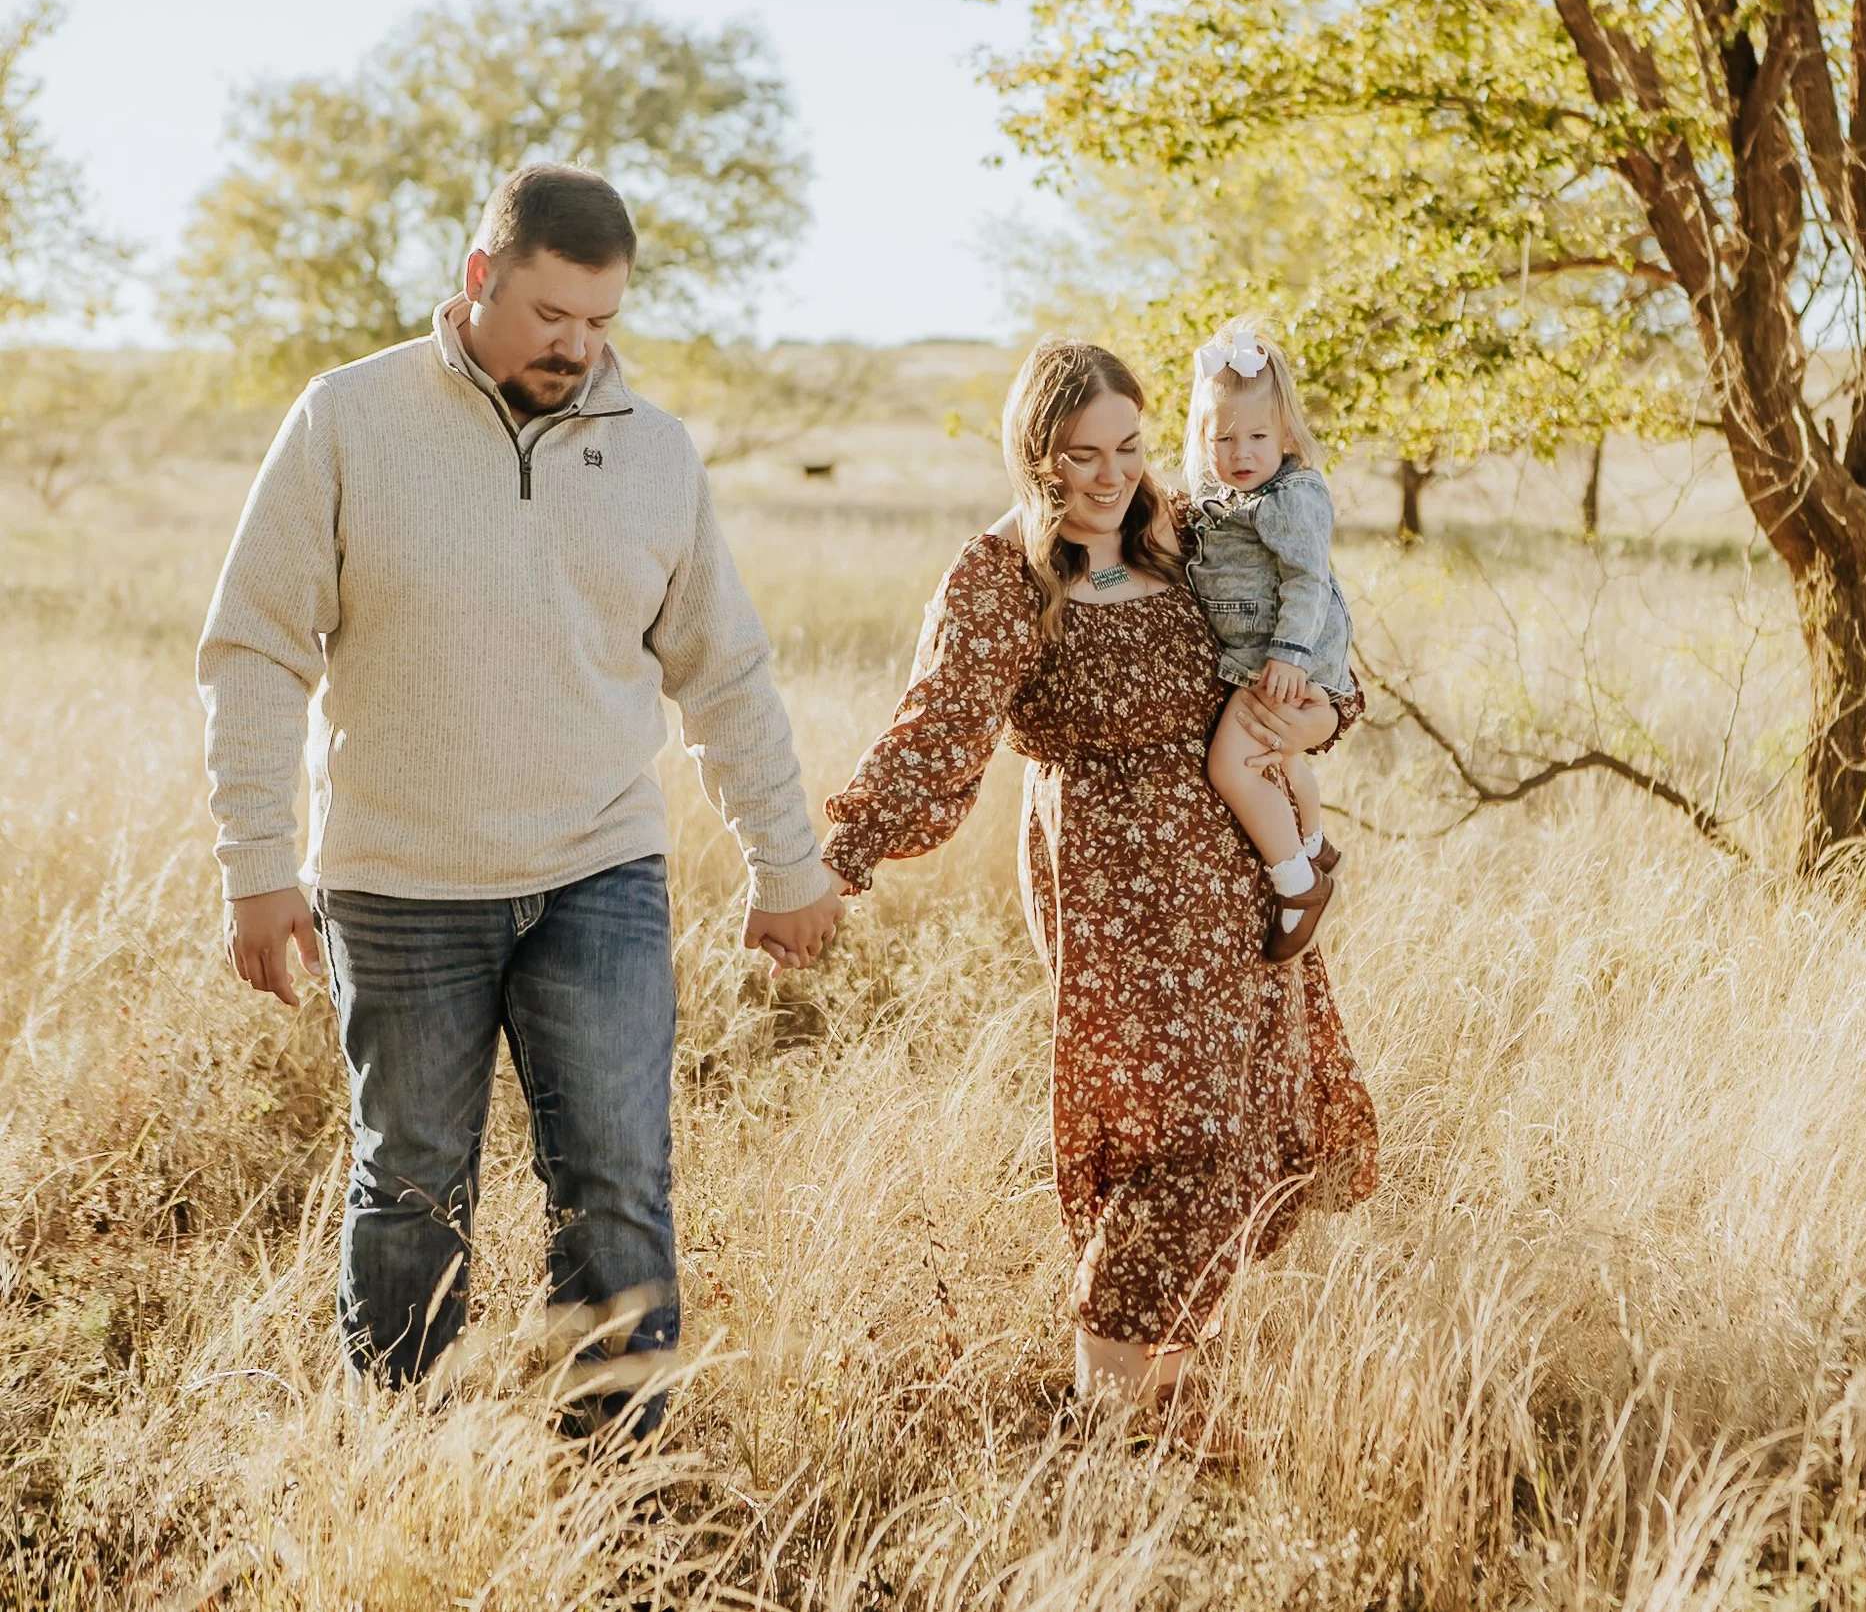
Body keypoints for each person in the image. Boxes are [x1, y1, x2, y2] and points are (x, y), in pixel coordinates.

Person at [198, 163, 844, 1435]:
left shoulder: (653, 452)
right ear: (480, 278)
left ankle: (616, 1475)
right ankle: (400, 1456)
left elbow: (724, 672)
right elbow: (256, 647)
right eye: (553, 315)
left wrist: (787, 859)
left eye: (602, 321)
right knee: (414, 1186)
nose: (578, 346)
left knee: (617, 1184)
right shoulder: (346, 419)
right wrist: (255, 859)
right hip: (397, 881)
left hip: (598, 871)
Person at [819, 339, 1378, 1404]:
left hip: (1236, 887)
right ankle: (1105, 1401)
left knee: (1240, 1131)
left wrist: (1320, 709)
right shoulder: (1004, 570)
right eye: (1082, 455)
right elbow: (940, 723)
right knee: (1166, 1138)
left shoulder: (1181, 529)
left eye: (1128, 446)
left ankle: (1159, 1393)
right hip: (1114, 890)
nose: (1113, 474)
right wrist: (846, 848)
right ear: (1035, 455)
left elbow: (1299, 641)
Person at [1179, 316, 1358, 961]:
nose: (1242, 452)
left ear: (1286, 433)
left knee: (1231, 765)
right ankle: (1312, 843)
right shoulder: (1217, 501)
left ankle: (1296, 883)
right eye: (1223, 438)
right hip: (1268, 658)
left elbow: (1307, 579)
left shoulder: (1290, 497)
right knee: (1280, 758)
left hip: (1285, 656)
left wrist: (1289, 654)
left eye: (1257, 435)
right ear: (1203, 439)